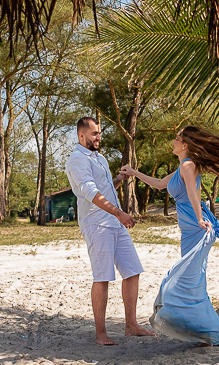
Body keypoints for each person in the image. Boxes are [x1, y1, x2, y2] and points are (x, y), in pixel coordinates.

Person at [121, 126, 219, 346]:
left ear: (185, 145)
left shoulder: (189, 166)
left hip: (196, 227)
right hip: (189, 231)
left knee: (189, 279)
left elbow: (193, 194)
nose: (173, 141)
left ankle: (210, 331)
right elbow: (161, 183)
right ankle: (203, 331)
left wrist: (200, 219)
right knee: (191, 279)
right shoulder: (183, 166)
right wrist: (134, 173)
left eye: (176, 138)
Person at [65, 116, 156, 345]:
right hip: (97, 225)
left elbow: (104, 188)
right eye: (94, 133)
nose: (98, 137)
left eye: (99, 132)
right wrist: (119, 213)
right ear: (81, 135)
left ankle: (131, 325)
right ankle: (101, 333)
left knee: (132, 270)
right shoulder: (77, 160)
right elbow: (91, 193)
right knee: (103, 276)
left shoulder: (100, 158)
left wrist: (118, 179)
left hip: (114, 223)